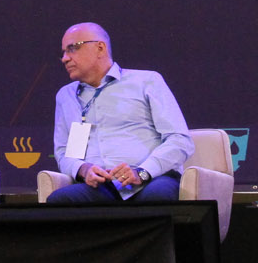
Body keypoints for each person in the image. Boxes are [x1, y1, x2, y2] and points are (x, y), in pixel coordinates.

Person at [47, 22, 191, 204]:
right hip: (102, 186)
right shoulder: (65, 96)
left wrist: (142, 172)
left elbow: (180, 139)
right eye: (63, 52)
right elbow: (62, 152)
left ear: (100, 48)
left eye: (72, 49)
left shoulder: (146, 81)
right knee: (60, 200)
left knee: (156, 198)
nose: (65, 58)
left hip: (151, 178)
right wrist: (83, 169)